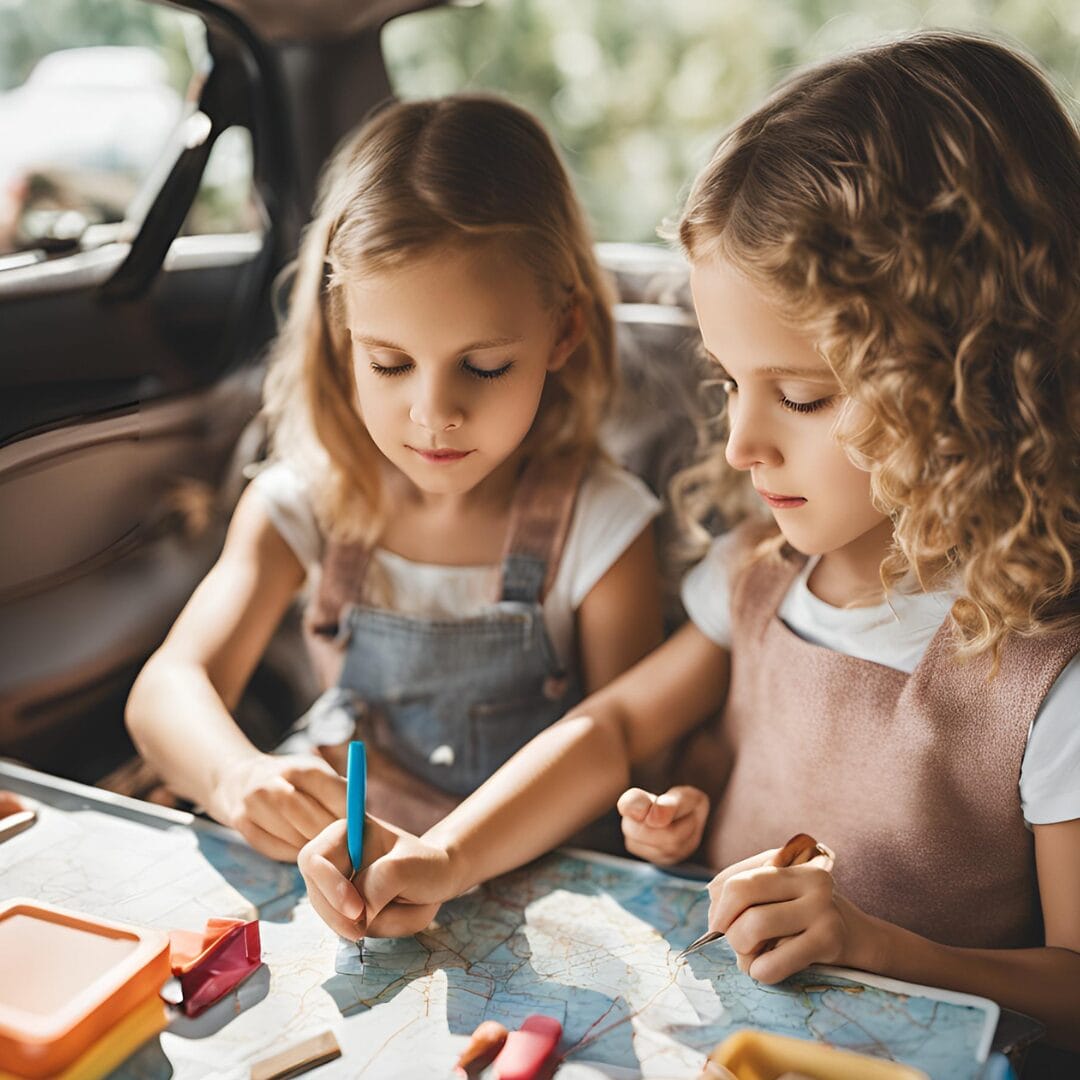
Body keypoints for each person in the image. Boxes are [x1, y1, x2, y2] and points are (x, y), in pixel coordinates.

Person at [297, 33, 1080, 1051]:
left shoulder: (1046, 680)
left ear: (972, 372)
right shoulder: (760, 576)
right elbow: (612, 730)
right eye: (727, 383)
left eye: (800, 395)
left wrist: (881, 946)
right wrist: (448, 857)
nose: (743, 441)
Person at [125, 95, 664, 860]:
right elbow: (168, 687)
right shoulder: (306, 501)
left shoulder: (602, 529)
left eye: (483, 366)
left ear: (562, 332)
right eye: (391, 363)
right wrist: (235, 776)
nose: (434, 412)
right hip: (339, 867)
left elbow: (633, 748)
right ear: (344, 338)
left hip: (521, 875)